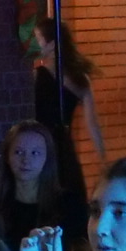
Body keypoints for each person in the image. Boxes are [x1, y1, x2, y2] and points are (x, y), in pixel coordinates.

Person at [0, 118, 88, 250]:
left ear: (47, 157)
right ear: (7, 157)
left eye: (35, 153)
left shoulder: (70, 206)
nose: (26, 160)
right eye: (18, 152)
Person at [33, 17, 105, 171]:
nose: (35, 44)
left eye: (38, 39)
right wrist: (103, 160)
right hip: (65, 150)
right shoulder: (80, 79)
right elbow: (93, 125)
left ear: (51, 44)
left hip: (39, 150)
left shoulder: (37, 76)